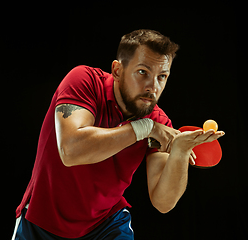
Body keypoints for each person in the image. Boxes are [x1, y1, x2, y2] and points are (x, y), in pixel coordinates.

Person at [12, 29, 225, 240]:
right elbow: (71, 150)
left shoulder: (159, 121)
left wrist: (179, 152)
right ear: (117, 70)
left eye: (162, 76)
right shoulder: (83, 81)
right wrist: (145, 128)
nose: (153, 87)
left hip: (105, 225)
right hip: (42, 222)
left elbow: (163, 202)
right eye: (143, 72)